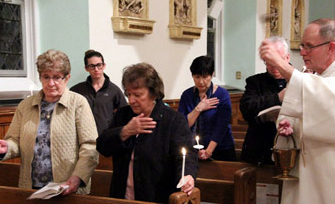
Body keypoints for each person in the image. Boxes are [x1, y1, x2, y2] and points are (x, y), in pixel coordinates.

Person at [0, 49, 99, 195]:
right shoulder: (25, 106)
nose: (51, 83)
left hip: (67, 187)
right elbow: (14, 140)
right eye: (46, 77)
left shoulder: (78, 103)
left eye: (57, 77)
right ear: (40, 77)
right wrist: (6, 148)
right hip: (31, 186)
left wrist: (77, 178)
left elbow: (90, 146)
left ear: (67, 78)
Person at [97, 63, 198, 203]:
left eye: (137, 95)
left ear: (154, 93)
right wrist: (125, 131)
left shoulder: (173, 120)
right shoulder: (122, 115)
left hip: (156, 196)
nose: (131, 100)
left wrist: (187, 175)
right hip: (122, 197)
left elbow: (186, 155)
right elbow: (102, 146)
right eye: (128, 94)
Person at [260, 18, 335, 204]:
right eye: (302, 45)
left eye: (309, 46)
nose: (302, 52)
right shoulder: (314, 76)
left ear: (331, 47)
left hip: (326, 176)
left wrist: (281, 65)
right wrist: (287, 126)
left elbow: (325, 99)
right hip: (301, 176)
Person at [239, 36, 291, 165]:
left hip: (291, 149)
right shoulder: (255, 82)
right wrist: (277, 98)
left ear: (287, 58)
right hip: (260, 148)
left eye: (277, 61)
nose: (273, 66)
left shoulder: (301, 79)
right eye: (268, 62)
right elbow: (247, 108)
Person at [178, 56, 236, 161]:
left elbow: (221, 127)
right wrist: (198, 108)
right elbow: (182, 125)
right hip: (193, 150)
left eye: (205, 77)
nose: (201, 81)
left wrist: (208, 151)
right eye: (197, 77)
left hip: (221, 150)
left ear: (212, 74)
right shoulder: (187, 95)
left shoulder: (222, 95)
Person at [71, 50, 127, 134]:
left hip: (106, 138)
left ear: (104, 66)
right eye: (92, 66)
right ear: (86, 68)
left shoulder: (114, 90)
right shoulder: (77, 90)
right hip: (82, 136)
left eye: (99, 65)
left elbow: (124, 114)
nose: (96, 69)